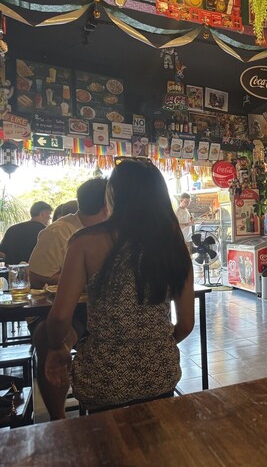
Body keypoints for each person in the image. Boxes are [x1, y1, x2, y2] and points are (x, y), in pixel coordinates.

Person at [44, 158, 194, 415]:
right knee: (157, 437)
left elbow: (59, 318)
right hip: (160, 373)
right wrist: (153, 347)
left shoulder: (84, 242)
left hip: (103, 376)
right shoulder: (174, 245)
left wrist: (57, 347)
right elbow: (186, 324)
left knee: (106, 439)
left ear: (112, 194)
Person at [28, 178, 108, 420]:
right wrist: (75, 277)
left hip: (96, 307)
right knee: (49, 336)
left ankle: (107, 408)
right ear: (108, 205)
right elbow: (35, 276)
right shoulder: (58, 232)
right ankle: (59, 420)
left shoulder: (112, 230)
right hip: (53, 308)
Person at [29, 179, 108, 289]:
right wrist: (86, 281)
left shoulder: (107, 231)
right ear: (107, 208)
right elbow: (36, 275)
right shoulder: (58, 232)